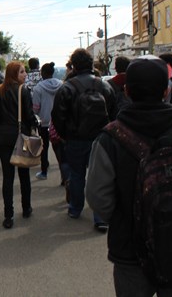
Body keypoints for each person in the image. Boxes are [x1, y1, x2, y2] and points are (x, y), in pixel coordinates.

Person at [87, 56, 172, 297]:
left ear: (127, 91)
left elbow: (98, 197)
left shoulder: (109, 138)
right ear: (167, 90)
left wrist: (129, 219)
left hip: (130, 251)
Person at [51, 48, 117, 231]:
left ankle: (75, 208)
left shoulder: (67, 88)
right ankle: (100, 217)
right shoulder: (104, 86)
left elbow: (57, 116)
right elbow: (114, 112)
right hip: (101, 138)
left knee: (77, 174)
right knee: (101, 177)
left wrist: (66, 135)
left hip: (75, 139)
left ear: (73, 65)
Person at [0, 61, 36, 229]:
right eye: (22, 72)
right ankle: (26, 208)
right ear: (14, 74)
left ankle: (8, 215)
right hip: (21, 136)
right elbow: (29, 115)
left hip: (4, 137)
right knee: (24, 174)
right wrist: (34, 125)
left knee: (7, 177)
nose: (25, 75)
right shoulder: (23, 91)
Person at [32, 61, 63, 181]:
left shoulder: (38, 87)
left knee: (44, 148)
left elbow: (35, 107)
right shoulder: (61, 84)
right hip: (58, 122)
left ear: (42, 73)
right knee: (60, 149)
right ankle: (63, 175)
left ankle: (44, 172)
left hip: (44, 122)